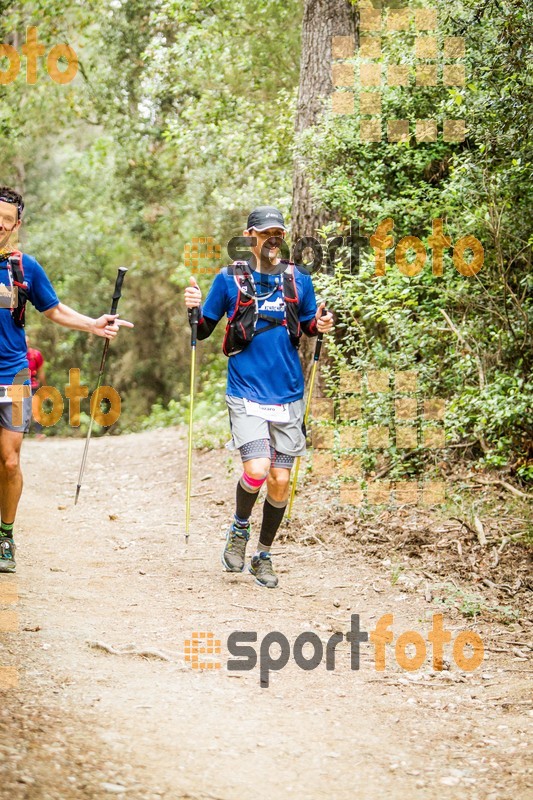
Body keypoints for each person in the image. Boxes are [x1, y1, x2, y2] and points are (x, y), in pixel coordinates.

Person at [184, 206, 333, 588]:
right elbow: (202, 331)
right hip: (246, 390)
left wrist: (322, 324)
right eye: (266, 233)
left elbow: (310, 324)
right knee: (257, 470)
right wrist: (193, 308)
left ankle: (263, 554)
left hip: (288, 391)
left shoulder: (298, 279)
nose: (273, 239)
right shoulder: (229, 279)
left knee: (280, 481)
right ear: (250, 236)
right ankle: (239, 529)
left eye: (279, 233)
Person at [0, 186, 133, 573]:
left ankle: (5, 536)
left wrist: (93, 324)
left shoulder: (24, 268)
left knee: (9, 462)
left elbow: (54, 310)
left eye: (5, 220)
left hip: (13, 374)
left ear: (16, 225)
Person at [25, 335, 46, 436]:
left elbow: (41, 372)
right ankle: (22, 432)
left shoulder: (35, 355)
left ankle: (38, 433)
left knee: (36, 408)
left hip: (33, 385)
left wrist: (44, 386)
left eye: (27, 342)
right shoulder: (16, 354)